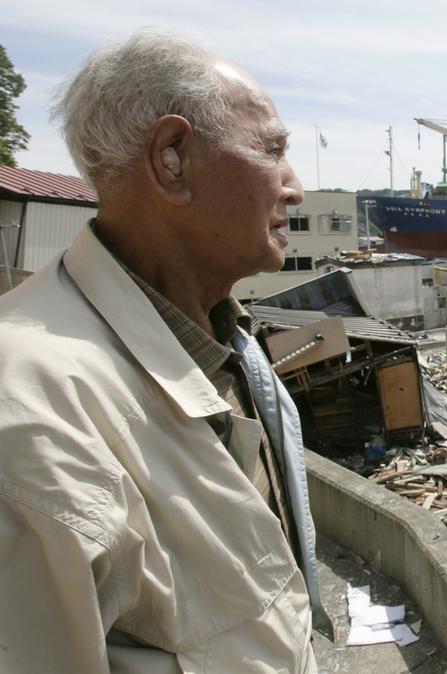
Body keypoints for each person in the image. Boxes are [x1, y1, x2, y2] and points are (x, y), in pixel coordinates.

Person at [0, 28, 328, 672]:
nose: (294, 189)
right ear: (171, 159)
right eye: (272, 150)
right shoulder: (31, 411)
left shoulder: (230, 341)